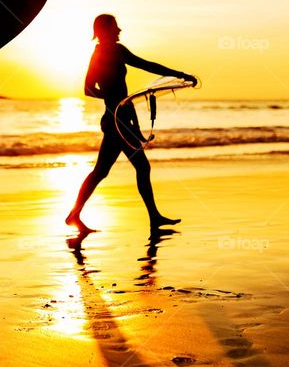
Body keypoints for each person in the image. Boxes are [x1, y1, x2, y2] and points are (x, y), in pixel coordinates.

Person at [66, 13, 197, 233]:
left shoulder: (118, 50)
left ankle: (75, 214)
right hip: (115, 120)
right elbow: (88, 89)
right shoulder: (99, 54)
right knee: (132, 167)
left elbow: (147, 65)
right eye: (115, 27)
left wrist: (179, 75)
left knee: (103, 171)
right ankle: (152, 218)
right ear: (105, 30)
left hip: (122, 120)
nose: (119, 30)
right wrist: (114, 100)